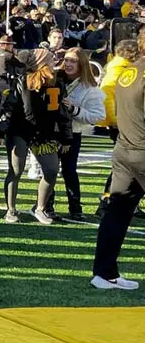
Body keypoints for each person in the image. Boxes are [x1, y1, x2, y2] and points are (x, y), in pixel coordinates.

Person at [91, 30, 145, 290]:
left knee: (117, 212)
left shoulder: (126, 71)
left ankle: (104, 273)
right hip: (142, 149)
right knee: (118, 212)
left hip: (124, 150)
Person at [0, 49, 71, 225]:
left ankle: (40, 208)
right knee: (16, 170)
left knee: (51, 171)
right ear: (41, 62)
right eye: (50, 59)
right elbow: (9, 108)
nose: (54, 62)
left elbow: (62, 112)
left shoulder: (57, 83)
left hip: (45, 134)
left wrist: (66, 137)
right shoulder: (22, 82)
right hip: (20, 131)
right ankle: (11, 210)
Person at [56, 49, 106, 220]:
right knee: (49, 170)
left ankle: (75, 208)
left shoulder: (89, 88)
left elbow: (98, 116)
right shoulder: (55, 78)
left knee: (69, 171)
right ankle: (45, 205)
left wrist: (74, 109)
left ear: (82, 64)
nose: (68, 64)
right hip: (52, 132)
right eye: (67, 60)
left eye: (73, 61)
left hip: (73, 134)